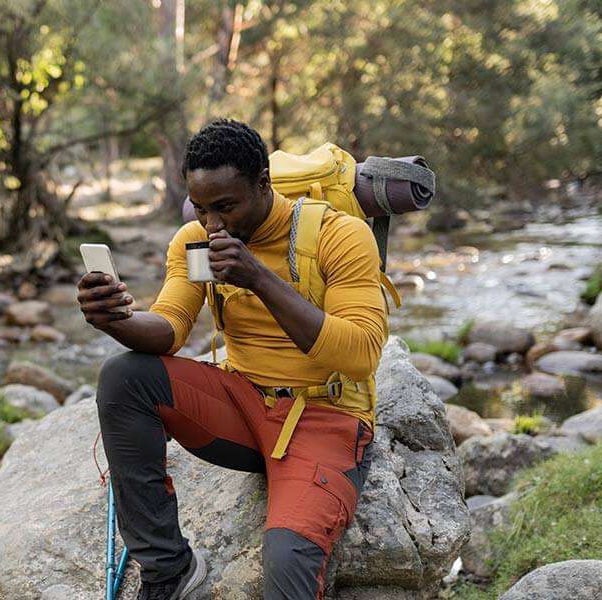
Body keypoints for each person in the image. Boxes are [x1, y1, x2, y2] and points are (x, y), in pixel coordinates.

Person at [78, 119, 389, 600]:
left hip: (325, 417)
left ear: (263, 184)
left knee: (286, 565)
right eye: (201, 209)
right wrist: (114, 320)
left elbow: (360, 354)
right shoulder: (195, 242)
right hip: (242, 403)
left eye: (226, 207)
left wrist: (259, 279)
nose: (213, 224)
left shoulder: (338, 235)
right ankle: (167, 570)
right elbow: (169, 329)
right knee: (124, 377)